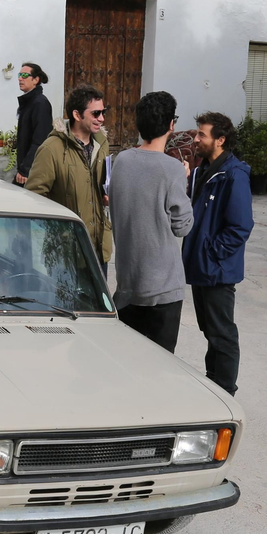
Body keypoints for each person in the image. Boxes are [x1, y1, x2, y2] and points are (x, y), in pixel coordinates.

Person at [109, 91, 194, 352]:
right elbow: (183, 225)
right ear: (171, 125)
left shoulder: (121, 160)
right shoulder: (172, 169)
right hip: (162, 289)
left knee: (128, 363)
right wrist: (184, 180)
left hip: (128, 284)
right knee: (159, 370)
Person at [183, 111, 252, 395]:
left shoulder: (233, 175)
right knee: (210, 330)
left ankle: (224, 391)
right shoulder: (202, 171)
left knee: (222, 334)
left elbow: (240, 226)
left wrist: (212, 254)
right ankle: (214, 382)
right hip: (201, 267)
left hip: (216, 271)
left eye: (202, 135)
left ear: (220, 140)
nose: (196, 138)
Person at [25, 84, 113, 265]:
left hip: (98, 248)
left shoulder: (102, 144)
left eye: (104, 112)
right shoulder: (51, 148)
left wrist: (107, 196)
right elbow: (33, 198)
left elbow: (102, 184)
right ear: (77, 115)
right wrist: (59, 231)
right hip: (65, 252)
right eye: (96, 114)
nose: (102, 118)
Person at [12, 62, 53, 186]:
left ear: (36, 80)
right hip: (26, 169)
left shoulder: (40, 103)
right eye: (19, 75)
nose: (20, 78)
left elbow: (40, 140)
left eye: (24, 75)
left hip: (33, 171)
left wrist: (25, 170)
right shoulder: (29, 102)